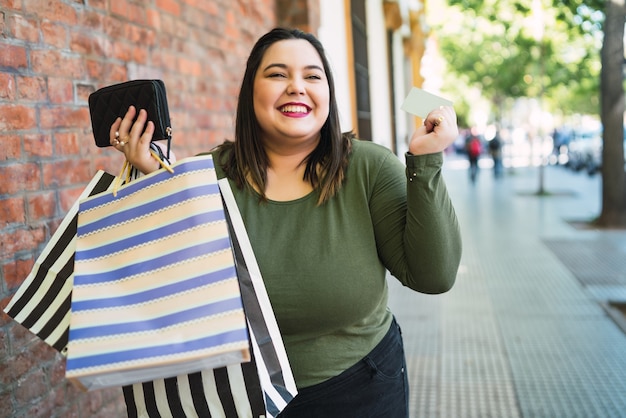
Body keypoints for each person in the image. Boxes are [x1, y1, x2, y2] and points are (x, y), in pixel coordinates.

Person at [108, 27, 462, 417]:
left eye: (312, 76)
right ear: (250, 92)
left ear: (327, 93)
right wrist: (152, 182)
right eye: (278, 74)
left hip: (361, 387)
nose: (296, 86)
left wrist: (426, 161)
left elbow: (434, 276)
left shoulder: (370, 168)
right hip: (239, 394)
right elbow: (170, 285)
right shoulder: (205, 177)